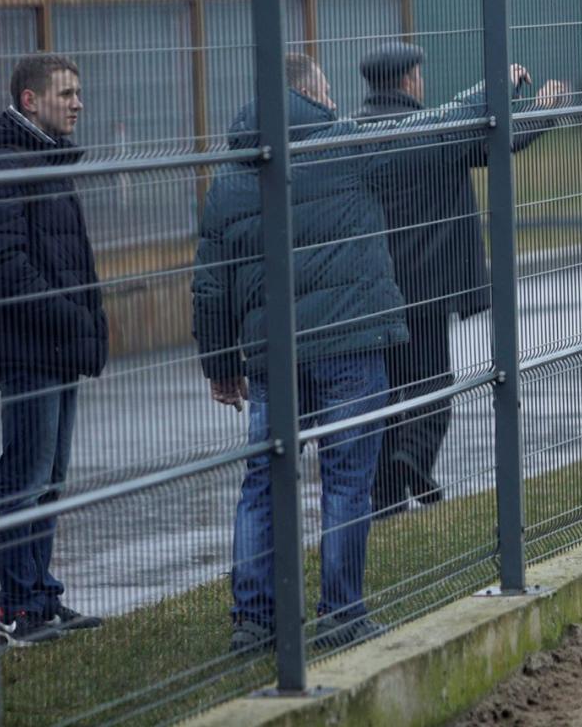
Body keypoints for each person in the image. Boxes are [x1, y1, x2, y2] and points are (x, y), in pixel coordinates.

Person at [192, 53, 489, 653]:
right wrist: (491, 90)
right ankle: (341, 613)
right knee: (347, 479)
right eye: (326, 89)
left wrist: (222, 364)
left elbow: (210, 284)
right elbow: (431, 133)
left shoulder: (228, 176)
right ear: (309, 94)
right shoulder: (343, 144)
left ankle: (253, 620)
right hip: (350, 343)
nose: (333, 99)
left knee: (263, 479)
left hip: (273, 354)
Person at [353, 44, 566, 517]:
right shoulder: (435, 133)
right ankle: (413, 454)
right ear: (409, 81)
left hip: (376, 288)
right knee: (434, 384)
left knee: (387, 391)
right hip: (431, 286)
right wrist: (544, 109)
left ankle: (386, 501)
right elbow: (502, 139)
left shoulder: (356, 136)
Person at [0, 53, 107, 647]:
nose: (78, 103)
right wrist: (70, 314)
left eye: (78, 93)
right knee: (26, 479)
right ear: (31, 101)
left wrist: (85, 323)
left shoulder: (47, 160)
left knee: (50, 477)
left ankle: (39, 596)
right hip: (30, 347)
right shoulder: (9, 163)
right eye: (66, 94)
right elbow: (4, 264)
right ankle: (17, 606)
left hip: (57, 346)